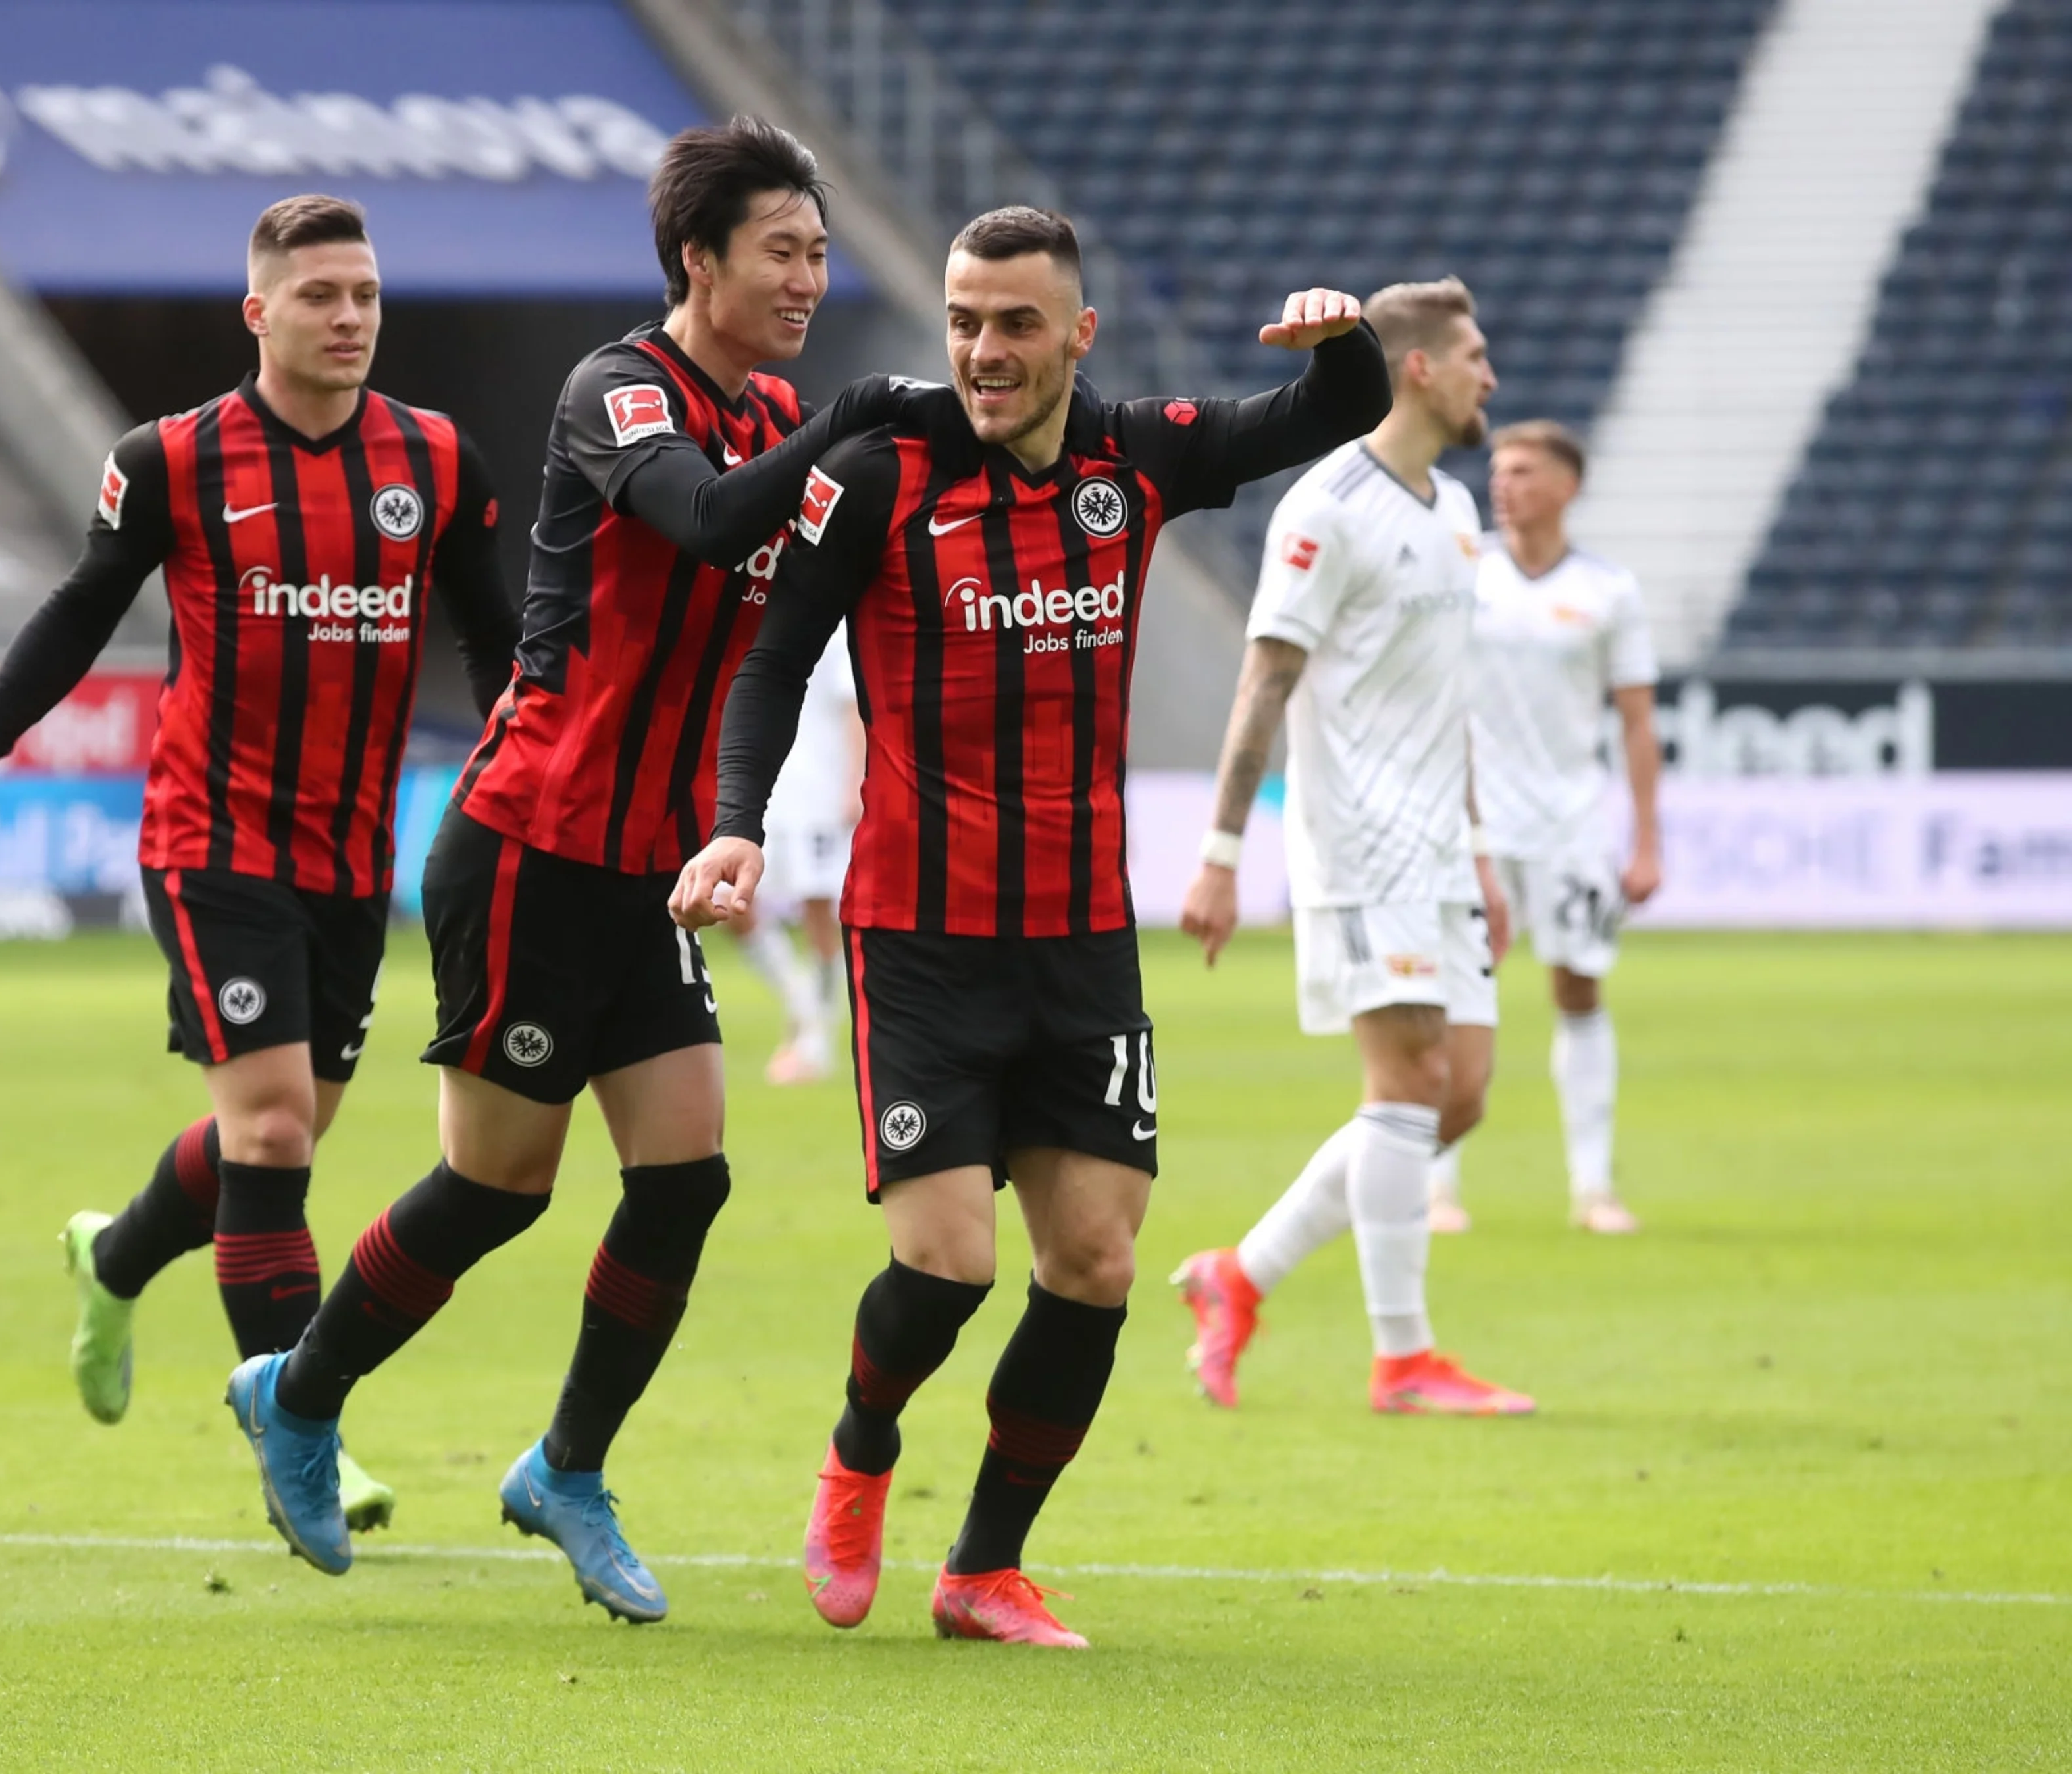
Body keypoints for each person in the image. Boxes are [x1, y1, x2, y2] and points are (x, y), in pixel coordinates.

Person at [222, 117, 907, 1617]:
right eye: (781, 252)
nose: (808, 277)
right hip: (529, 844)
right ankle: (298, 1390)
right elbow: (707, 519)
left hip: (649, 868)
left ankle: (567, 1469)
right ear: (698, 260)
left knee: (685, 1177)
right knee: (498, 1185)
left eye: (817, 252)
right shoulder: (619, 392)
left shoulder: (773, 413)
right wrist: (848, 423)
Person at [675, 206, 1388, 1648]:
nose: (984, 352)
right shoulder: (878, 475)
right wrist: (740, 817)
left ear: (1078, 334)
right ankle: (859, 1453)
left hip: (1080, 943)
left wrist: (1346, 334)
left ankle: (983, 1568)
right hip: (920, 937)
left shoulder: (1138, 455)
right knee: (947, 1261)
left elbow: (1338, 407)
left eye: (1014, 324)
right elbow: (774, 660)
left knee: (1096, 1263)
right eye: (962, 322)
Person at [0, 196, 519, 1534]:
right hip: (211, 835)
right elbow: (83, 608)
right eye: (319, 296)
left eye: (364, 294)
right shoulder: (173, 460)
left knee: (279, 1134)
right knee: (275, 1130)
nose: (348, 317)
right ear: (258, 313)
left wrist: (529, 758)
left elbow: (493, 635)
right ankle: (305, 1432)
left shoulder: (434, 458)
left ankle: (114, 1255)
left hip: (352, 851)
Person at [1170, 276, 1538, 1419]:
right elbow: (1265, 680)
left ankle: (1239, 1276)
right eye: (1474, 357)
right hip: (1361, 841)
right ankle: (1402, 1358)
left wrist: (1479, 847)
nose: (1490, 378)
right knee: (1407, 1087)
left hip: (1440, 847)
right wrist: (1222, 851)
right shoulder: (1325, 508)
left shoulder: (1456, 512)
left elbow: (1446, 694)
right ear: (1418, 368)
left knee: (1456, 1097)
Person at [1431, 420, 1661, 1235]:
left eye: (1523, 471)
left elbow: (1637, 722)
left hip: (1571, 826)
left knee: (1578, 989)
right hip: (1473, 826)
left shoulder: (1608, 590)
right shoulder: (1463, 570)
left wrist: (1646, 841)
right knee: (1454, 994)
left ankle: (1593, 1188)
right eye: (1499, 470)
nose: (1503, 484)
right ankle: (1436, 1187)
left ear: (1566, 487)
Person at [734, 623, 861, 1084]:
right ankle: (803, 1007)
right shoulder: (755, 609)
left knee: (819, 913)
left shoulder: (834, 622)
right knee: (732, 904)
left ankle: (815, 1042)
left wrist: (855, 782)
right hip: (768, 795)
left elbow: (853, 704)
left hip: (819, 794)